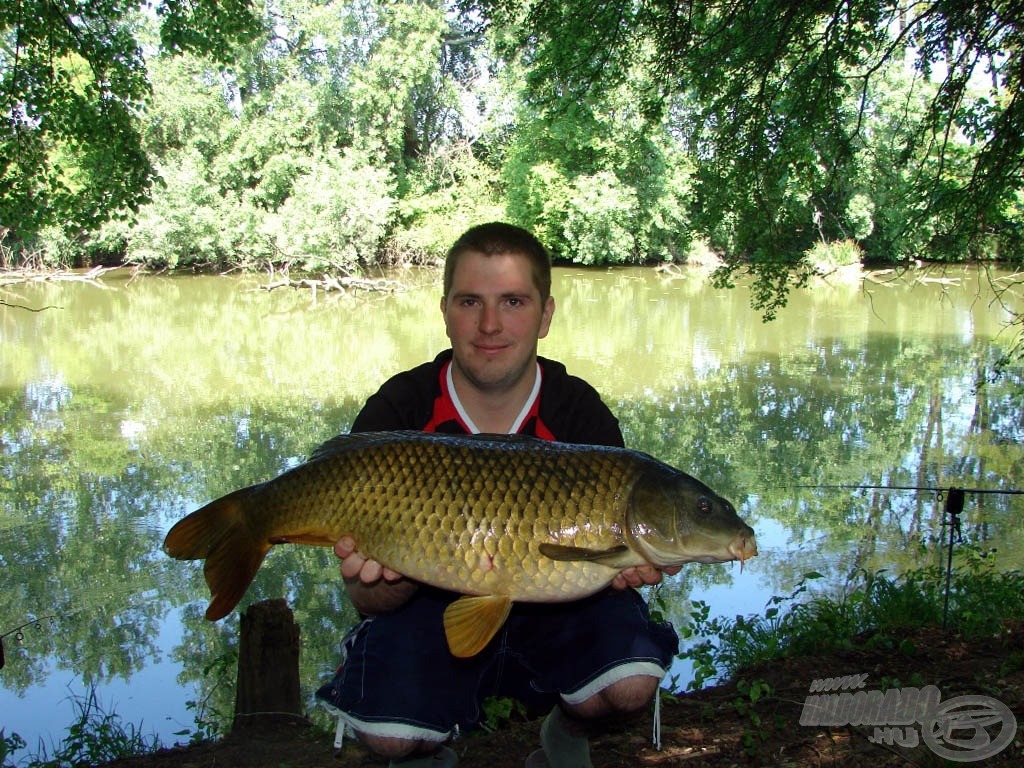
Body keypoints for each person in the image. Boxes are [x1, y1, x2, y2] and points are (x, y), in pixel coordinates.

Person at [316, 222, 679, 768]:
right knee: (391, 735)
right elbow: (366, 600)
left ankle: (566, 731)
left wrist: (620, 572)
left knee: (628, 685)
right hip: (429, 606)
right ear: (444, 311)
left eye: (513, 301)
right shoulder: (399, 411)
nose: (490, 324)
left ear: (546, 315)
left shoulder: (580, 414)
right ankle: (425, 751)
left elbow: (607, 584)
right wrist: (387, 577)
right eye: (470, 302)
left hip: (557, 603)